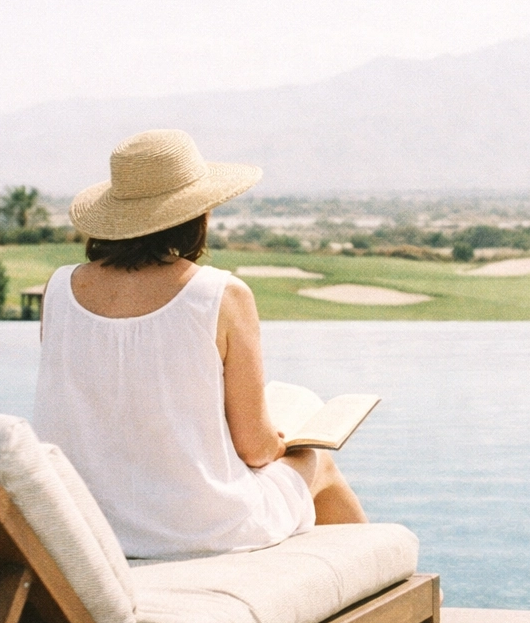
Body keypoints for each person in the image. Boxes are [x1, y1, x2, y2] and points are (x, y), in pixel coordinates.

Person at [33, 128, 365, 560]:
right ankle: (386, 595)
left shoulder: (58, 290)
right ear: (197, 215)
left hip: (85, 524)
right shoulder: (221, 295)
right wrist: (283, 441)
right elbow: (254, 448)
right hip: (199, 529)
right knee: (319, 465)